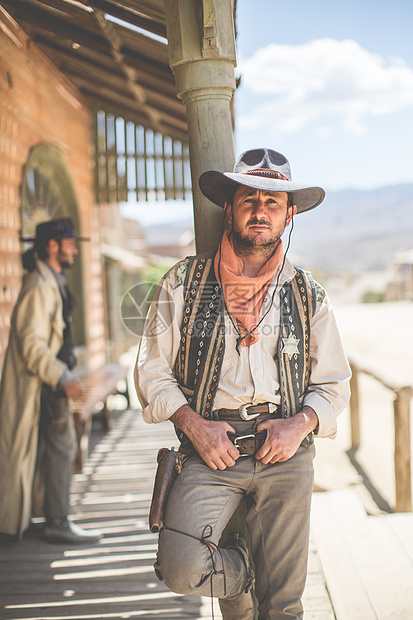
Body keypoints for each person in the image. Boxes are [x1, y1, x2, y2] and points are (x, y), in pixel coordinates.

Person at [135, 148, 351, 619]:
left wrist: (299, 426)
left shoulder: (309, 294)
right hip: (212, 449)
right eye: (249, 199)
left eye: (273, 202)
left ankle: (269, 583)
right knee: (179, 568)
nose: (260, 211)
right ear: (229, 208)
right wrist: (195, 426)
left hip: (287, 454)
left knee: (284, 606)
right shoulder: (182, 282)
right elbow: (151, 372)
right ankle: (247, 574)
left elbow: (334, 385)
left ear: (289, 215)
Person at [0, 218, 101, 544]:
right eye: (70, 242)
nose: (74, 248)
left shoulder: (49, 280)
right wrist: (63, 375)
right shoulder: (39, 285)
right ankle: (57, 522)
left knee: (47, 451)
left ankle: (36, 517)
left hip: (48, 386)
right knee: (61, 448)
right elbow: (32, 345)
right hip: (44, 385)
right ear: (53, 246)